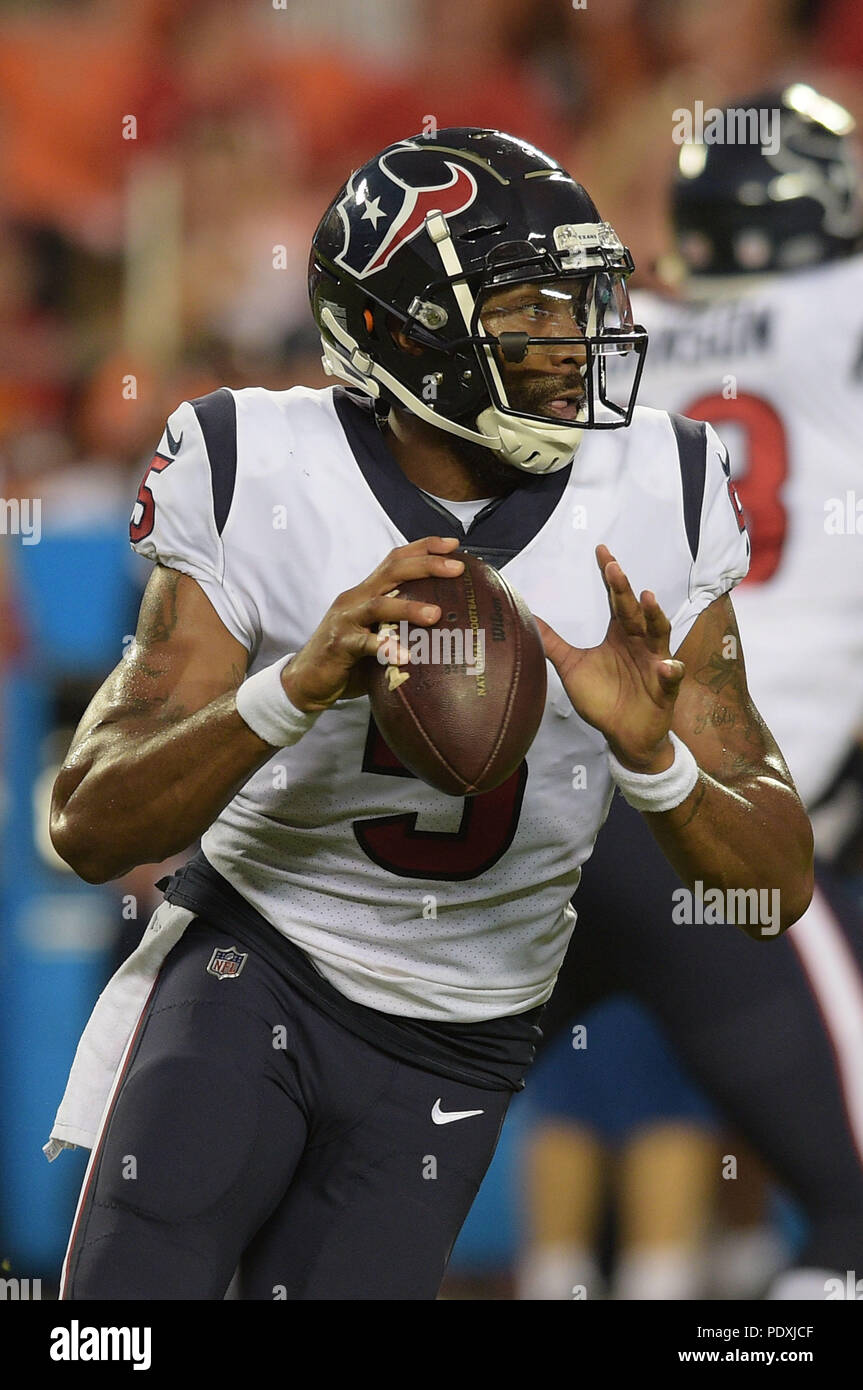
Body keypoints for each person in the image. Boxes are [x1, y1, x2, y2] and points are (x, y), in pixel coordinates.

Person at [45, 127, 812, 1301]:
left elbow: (776, 886)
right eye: (529, 311)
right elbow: (89, 825)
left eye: (580, 300)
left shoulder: (660, 486)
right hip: (260, 963)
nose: (574, 340)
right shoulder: (259, 462)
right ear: (402, 331)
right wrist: (288, 690)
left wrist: (653, 758)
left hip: (466, 1024)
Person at [520, 85, 863, 1302]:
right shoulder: (842, 311)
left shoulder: (623, 330)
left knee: (376, 1142)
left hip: (554, 803)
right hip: (713, 823)